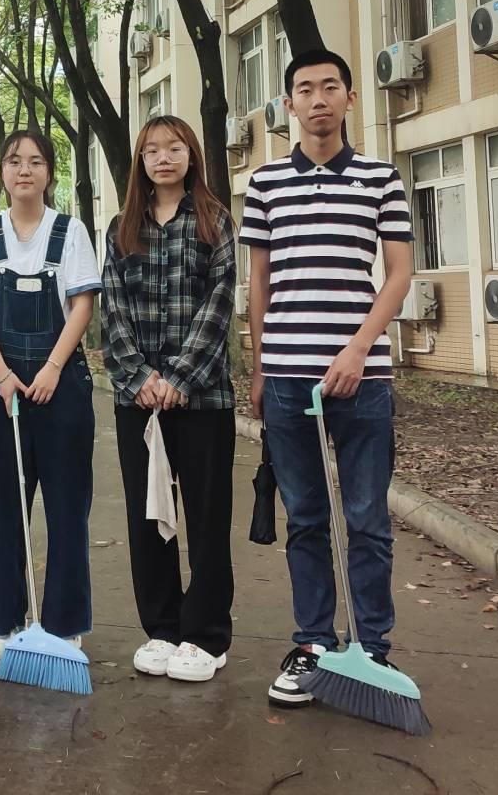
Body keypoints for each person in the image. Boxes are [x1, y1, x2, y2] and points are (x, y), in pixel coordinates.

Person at [240, 49, 414, 708]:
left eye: (330, 87)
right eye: (305, 89)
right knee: (307, 518)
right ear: (288, 104)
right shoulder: (265, 184)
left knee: (367, 519)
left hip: (363, 380)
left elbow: (398, 274)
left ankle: (371, 650)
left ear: (349, 98)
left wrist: (357, 349)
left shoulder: (380, 179)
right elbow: (260, 281)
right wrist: (259, 365)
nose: (318, 99)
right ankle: (313, 644)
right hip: (287, 378)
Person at [102, 116, 237, 684]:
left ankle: (206, 635)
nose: (163, 158)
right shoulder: (122, 227)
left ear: (191, 155)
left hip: (203, 400)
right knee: (146, 514)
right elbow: (112, 308)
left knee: (205, 517)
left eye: (174, 148)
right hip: (139, 403)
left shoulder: (214, 220)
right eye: (152, 150)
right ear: (140, 160)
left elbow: (220, 302)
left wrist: (179, 378)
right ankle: (161, 627)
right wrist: (141, 379)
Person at [0, 128, 101, 659]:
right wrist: (1, 374)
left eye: (36, 161)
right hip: (1, 390)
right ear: (2, 171)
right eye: (15, 161)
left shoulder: (70, 232)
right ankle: (5, 621)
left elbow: (82, 304)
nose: (25, 169)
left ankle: (64, 624)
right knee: (6, 508)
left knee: (67, 508)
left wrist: (52, 368)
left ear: (49, 173)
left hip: (60, 387)